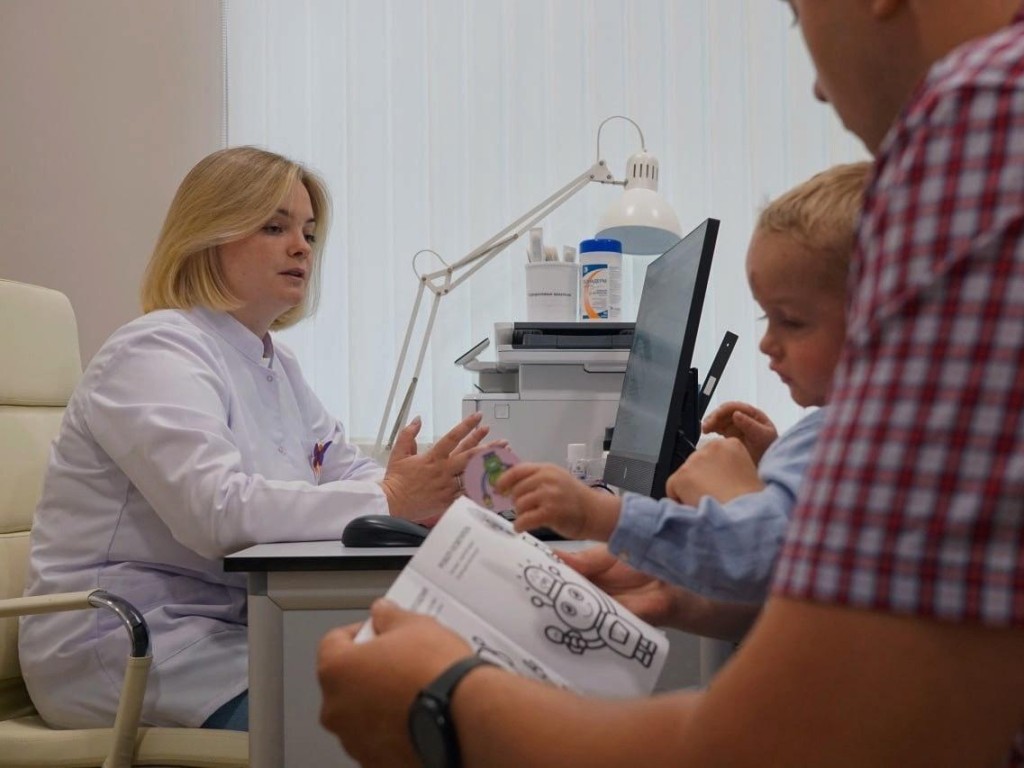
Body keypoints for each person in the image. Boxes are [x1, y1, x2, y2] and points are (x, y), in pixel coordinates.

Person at [316, 1, 1024, 765]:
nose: (818, 90)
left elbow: (792, 742)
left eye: (795, 14)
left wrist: (443, 700)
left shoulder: (982, 116)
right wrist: (687, 588)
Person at [19, 146, 491, 732]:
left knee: (443, 689)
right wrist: (392, 497)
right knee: (408, 722)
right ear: (207, 237)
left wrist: (426, 496)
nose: (302, 248)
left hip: (227, 631)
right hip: (130, 646)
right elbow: (217, 512)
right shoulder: (154, 350)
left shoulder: (274, 362)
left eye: (308, 233)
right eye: (274, 227)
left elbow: (343, 469)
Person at [495, 162, 869, 643]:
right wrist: (772, 461)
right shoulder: (839, 434)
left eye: (792, 321)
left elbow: (762, 550)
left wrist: (598, 515)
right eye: (766, 320)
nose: (766, 343)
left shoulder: (843, 434)